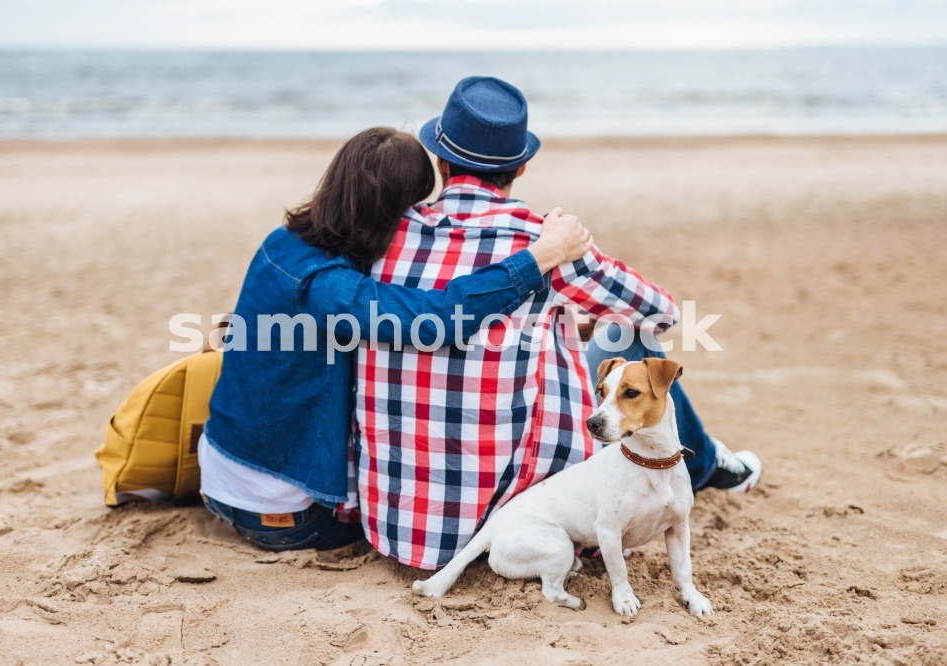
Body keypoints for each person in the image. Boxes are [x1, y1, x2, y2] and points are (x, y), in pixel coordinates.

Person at [354, 77, 762, 571]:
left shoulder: (386, 232)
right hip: (516, 517)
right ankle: (703, 463)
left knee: (560, 334)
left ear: (441, 160)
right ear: (522, 166)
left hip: (398, 530)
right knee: (628, 335)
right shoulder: (542, 241)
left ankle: (705, 457)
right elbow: (663, 312)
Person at [199, 127, 593, 553]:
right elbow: (435, 320)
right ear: (390, 210)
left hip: (220, 471)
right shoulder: (328, 286)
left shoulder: (285, 241)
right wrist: (542, 255)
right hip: (281, 513)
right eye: (414, 205)